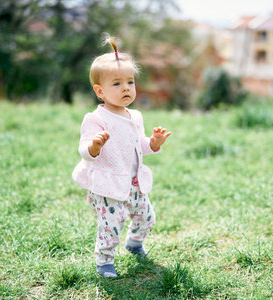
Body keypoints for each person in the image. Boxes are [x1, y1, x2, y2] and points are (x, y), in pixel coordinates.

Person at [72, 35, 171, 278]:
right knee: (111, 226)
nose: (126, 87)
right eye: (116, 84)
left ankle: (135, 243)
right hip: (107, 184)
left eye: (130, 82)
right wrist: (95, 146)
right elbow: (84, 149)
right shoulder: (96, 119)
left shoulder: (135, 116)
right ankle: (104, 261)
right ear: (100, 91)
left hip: (134, 181)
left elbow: (139, 146)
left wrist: (153, 143)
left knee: (147, 217)